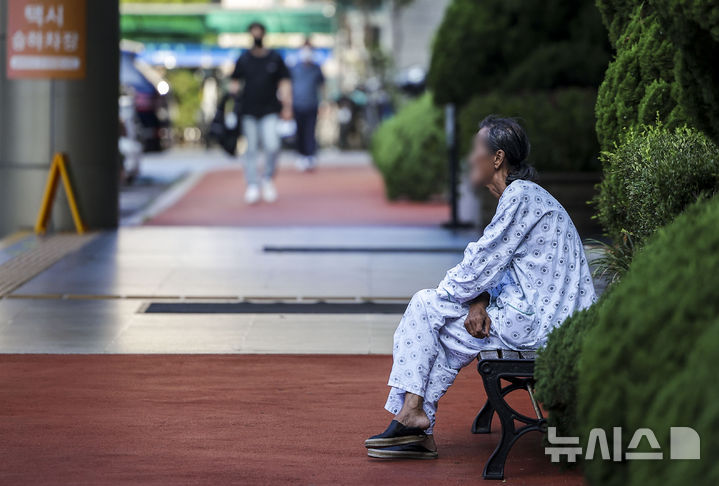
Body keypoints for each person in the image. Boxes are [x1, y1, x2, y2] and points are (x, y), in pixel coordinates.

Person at [364, 116, 597, 459]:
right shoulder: (522, 197)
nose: (470, 157)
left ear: (498, 158)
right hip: (537, 316)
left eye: (476, 149)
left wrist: (451, 297)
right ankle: (414, 422)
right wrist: (479, 300)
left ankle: (413, 419)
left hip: (543, 325)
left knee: (427, 306)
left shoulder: (520, 197)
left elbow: (479, 264)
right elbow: (500, 269)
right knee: (438, 324)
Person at [229, 22, 292, 204]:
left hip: (270, 110)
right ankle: (252, 185)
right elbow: (234, 82)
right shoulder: (244, 59)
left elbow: (285, 82)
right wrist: (232, 103)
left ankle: (267, 179)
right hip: (249, 111)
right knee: (251, 149)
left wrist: (287, 106)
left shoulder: (274, 58)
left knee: (272, 146)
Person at [290, 40, 324, 171]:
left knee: (310, 130)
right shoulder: (295, 68)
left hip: (312, 104)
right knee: (299, 131)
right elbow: (289, 86)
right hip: (297, 105)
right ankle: (301, 154)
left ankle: (310, 155)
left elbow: (322, 86)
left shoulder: (316, 68)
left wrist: (324, 103)